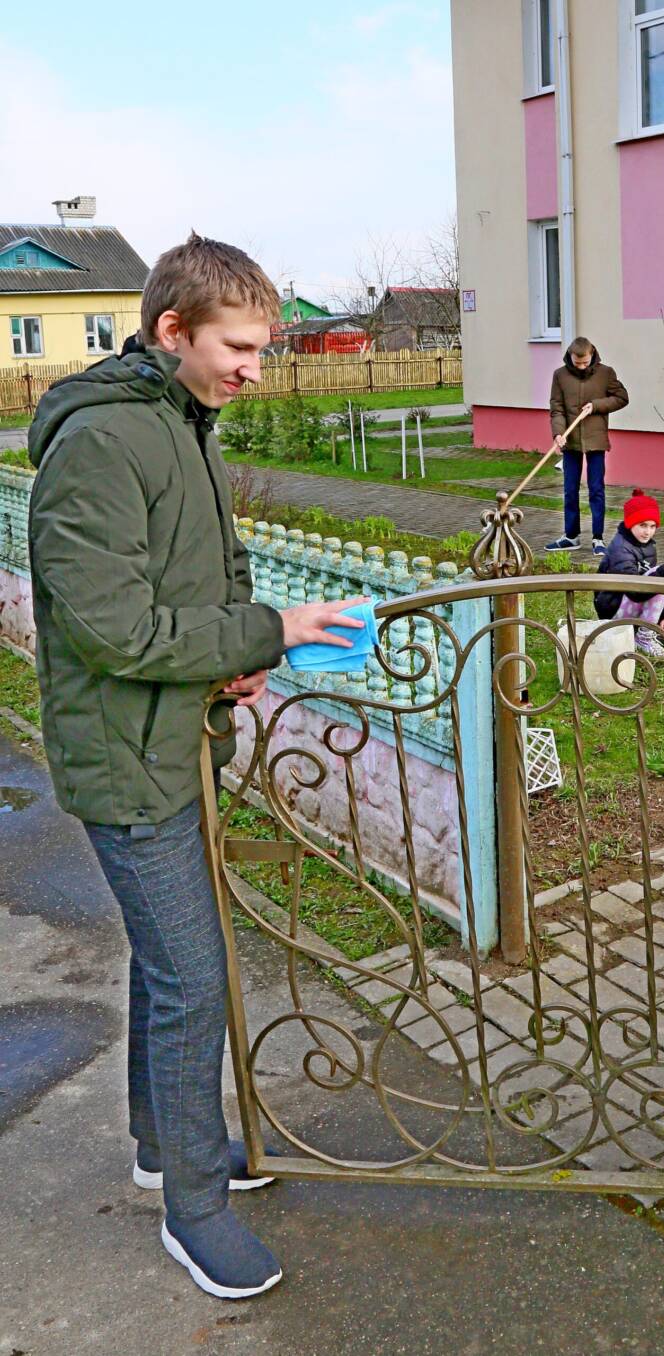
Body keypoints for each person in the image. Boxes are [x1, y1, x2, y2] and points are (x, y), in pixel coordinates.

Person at [27, 233, 368, 1299]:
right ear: (172, 330)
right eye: (240, 346)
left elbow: (189, 571)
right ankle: (193, 1212)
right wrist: (266, 631)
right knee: (192, 976)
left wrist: (233, 656)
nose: (255, 368)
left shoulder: (178, 420)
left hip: (176, 733)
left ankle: (157, 1144)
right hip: (129, 759)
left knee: (174, 966)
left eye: (262, 348)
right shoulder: (102, 444)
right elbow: (115, 629)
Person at [545, 336, 629, 558]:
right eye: (577, 362)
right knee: (570, 490)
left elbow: (622, 397)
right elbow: (557, 408)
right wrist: (558, 433)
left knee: (596, 490)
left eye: (584, 362)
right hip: (570, 441)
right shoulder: (560, 375)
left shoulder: (605, 373)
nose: (581, 367)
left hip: (596, 441)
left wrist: (597, 406)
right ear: (571, 356)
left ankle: (598, 538)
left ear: (591, 354)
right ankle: (571, 537)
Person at [595, 490, 664, 658]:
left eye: (652, 526)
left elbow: (655, 589)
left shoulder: (648, 547)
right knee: (657, 576)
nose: (648, 532)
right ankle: (644, 638)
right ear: (631, 523)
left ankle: (646, 630)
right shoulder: (620, 548)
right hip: (614, 608)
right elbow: (636, 590)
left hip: (639, 603)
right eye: (643, 525)